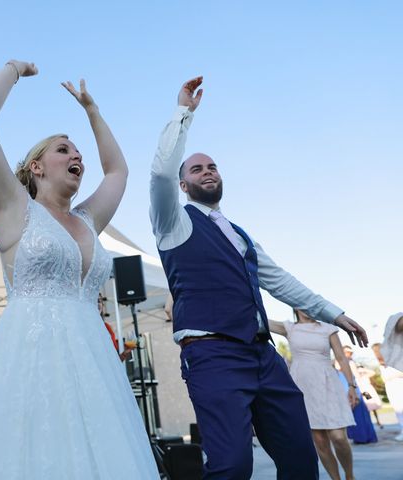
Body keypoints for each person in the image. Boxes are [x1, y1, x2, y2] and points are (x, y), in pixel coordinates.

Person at [0, 61, 158, 479]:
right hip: (29, 356)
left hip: (93, 359)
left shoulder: (90, 220)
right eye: (63, 149)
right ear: (36, 167)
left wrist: (92, 112)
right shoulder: (13, 207)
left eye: (78, 153)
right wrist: (14, 70)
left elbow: (118, 171)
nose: (76, 156)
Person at [149, 77, 369, 479]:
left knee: (303, 461)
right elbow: (161, 175)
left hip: (264, 357)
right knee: (232, 466)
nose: (208, 171)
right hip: (213, 355)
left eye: (212, 165)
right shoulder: (173, 222)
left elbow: (279, 280)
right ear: (184, 185)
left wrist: (333, 313)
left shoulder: (240, 234)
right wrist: (183, 114)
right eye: (197, 169)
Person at [269, 311, 358, 480]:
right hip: (302, 384)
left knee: (338, 437)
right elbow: (261, 319)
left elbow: (341, 357)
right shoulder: (289, 327)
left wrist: (352, 386)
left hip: (327, 382)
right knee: (320, 441)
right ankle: (335, 478)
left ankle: (349, 475)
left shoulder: (327, 328)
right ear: (294, 306)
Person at [340, 346, 378, 444]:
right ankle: (361, 436)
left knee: (359, 413)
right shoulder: (346, 363)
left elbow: (356, 378)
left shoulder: (350, 363)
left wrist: (357, 392)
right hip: (352, 389)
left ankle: (362, 437)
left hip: (356, 389)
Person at [372, 342, 403, 441]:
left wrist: (391, 376)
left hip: (398, 385)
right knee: (398, 411)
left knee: (401, 409)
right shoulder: (381, 363)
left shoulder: (395, 359)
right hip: (391, 387)